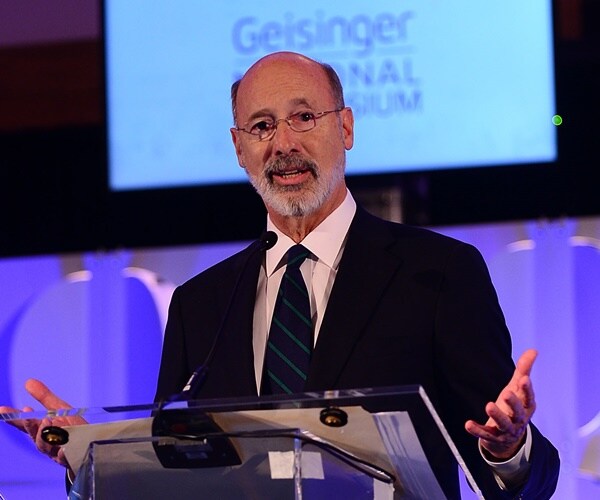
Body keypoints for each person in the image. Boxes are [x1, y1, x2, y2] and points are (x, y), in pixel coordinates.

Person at [1, 51, 558, 498]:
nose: (284, 144)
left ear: (345, 128)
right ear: (240, 149)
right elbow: (173, 471)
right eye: (262, 126)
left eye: (303, 117)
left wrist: (507, 449)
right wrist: (88, 457)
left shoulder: (438, 273)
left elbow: (517, 477)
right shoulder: (201, 304)